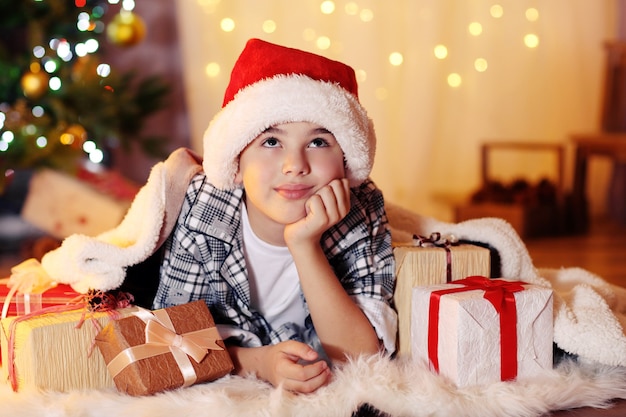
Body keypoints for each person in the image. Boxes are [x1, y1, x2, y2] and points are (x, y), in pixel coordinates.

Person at [151, 38, 397, 394]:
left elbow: (361, 358)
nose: (295, 166)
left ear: (345, 161)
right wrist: (256, 362)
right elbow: (168, 343)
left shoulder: (362, 208)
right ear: (236, 163)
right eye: (271, 142)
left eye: (318, 142)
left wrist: (304, 244)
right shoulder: (205, 210)